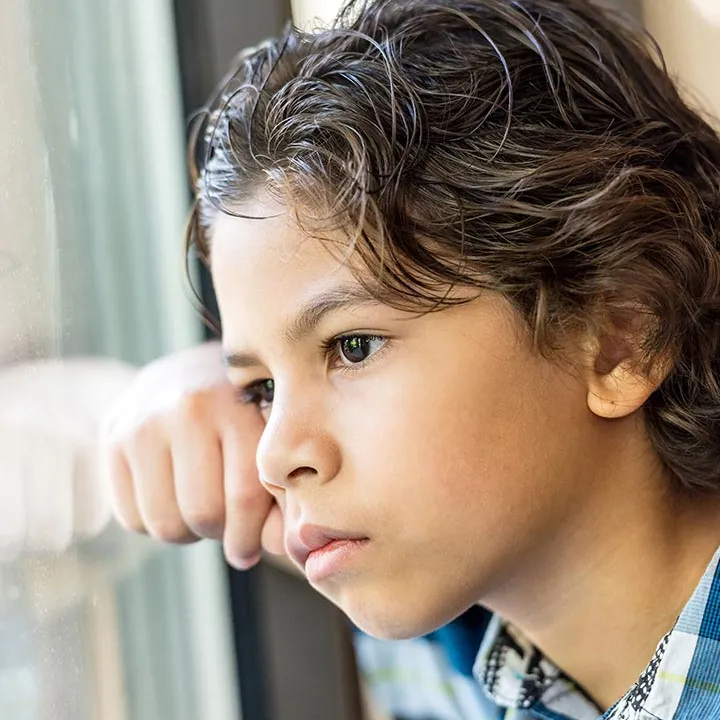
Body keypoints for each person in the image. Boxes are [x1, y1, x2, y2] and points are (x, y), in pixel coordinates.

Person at [105, 0, 720, 717]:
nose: (273, 459)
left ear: (619, 341)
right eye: (262, 390)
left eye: (352, 347)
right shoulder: (450, 621)